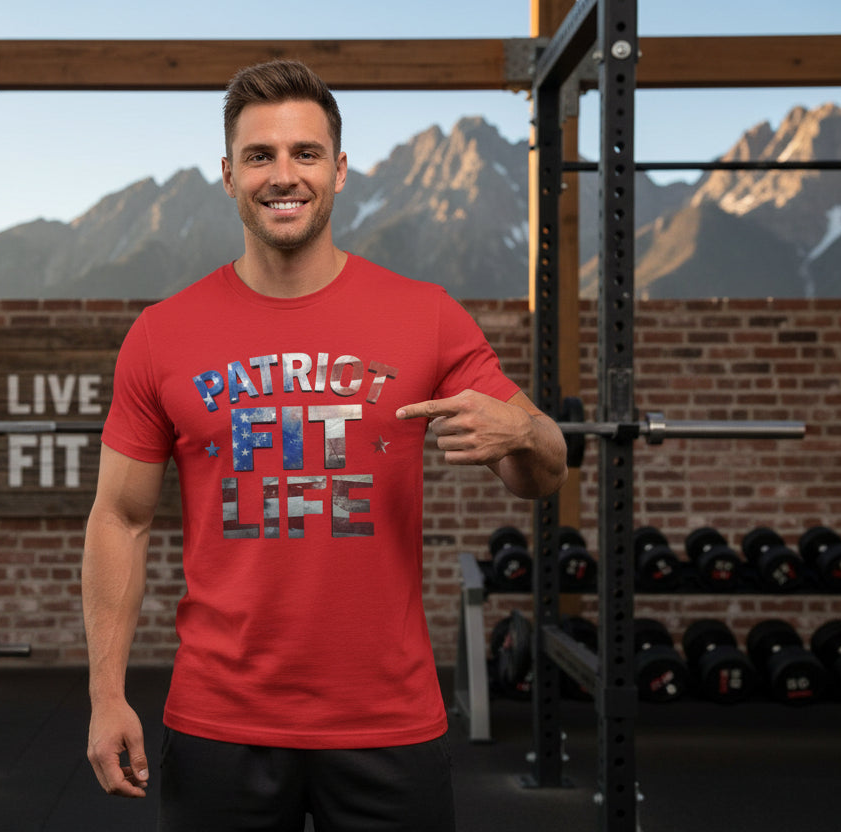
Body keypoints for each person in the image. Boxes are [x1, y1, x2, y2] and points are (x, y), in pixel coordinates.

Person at [82, 59, 568, 831]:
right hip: (219, 721)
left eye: (305, 153)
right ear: (228, 174)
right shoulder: (161, 334)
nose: (284, 174)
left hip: (387, 721)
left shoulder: (427, 316)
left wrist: (529, 432)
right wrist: (106, 694)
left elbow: (543, 472)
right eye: (260, 155)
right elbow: (119, 519)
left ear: (339, 171)